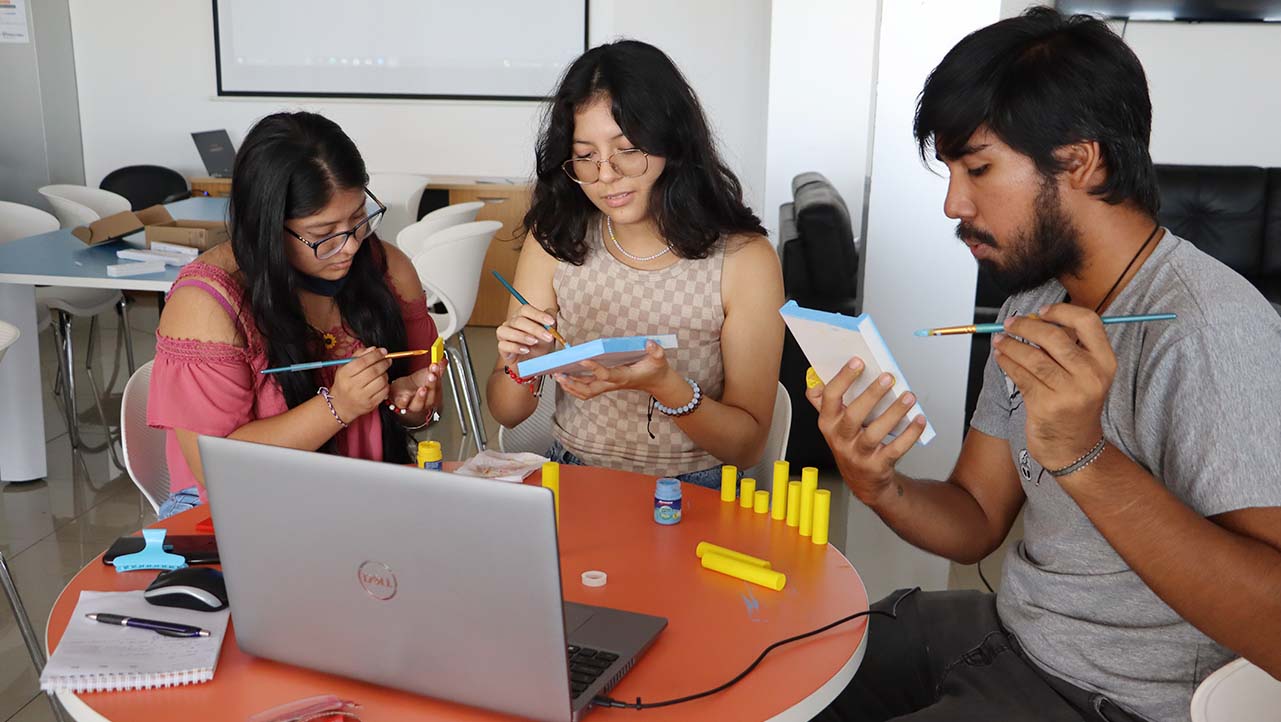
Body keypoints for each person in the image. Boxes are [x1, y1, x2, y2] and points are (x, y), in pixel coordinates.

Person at [812, 8, 1281, 722]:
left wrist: (1081, 455)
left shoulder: (1210, 329)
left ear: (1080, 161)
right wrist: (878, 485)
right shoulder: (1032, 306)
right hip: (1007, 635)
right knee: (782, 662)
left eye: (977, 168)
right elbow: (975, 518)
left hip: (1107, 698)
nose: (952, 203)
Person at [486, 40, 785, 488]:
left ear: (673, 141)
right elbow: (507, 410)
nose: (606, 174)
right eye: (585, 156)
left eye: (627, 149)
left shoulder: (744, 260)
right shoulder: (556, 240)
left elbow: (745, 447)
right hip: (575, 476)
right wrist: (522, 364)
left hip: (695, 488)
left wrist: (665, 385)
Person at [148, 111, 445, 518]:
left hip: (361, 497)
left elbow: (423, 406)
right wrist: (337, 406)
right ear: (266, 226)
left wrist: (413, 405)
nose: (351, 246)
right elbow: (215, 466)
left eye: (359, 219)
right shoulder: (207, 305)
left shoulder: (387, 270)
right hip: (237, 512)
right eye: (324, 235)